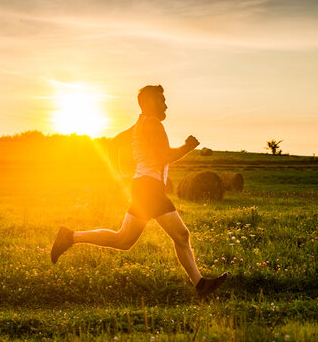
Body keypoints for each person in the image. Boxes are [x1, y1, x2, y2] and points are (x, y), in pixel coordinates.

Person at [51, 85, 228, 298]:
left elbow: (113, 144)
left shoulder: (139, 125)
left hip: (144, 186)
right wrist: (187, 147)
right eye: (162, 100)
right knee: (182, 235)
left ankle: (70, 236)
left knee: (124, 240)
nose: (166, 105)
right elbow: (165, 156)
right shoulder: (152, 124)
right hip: (150, 188)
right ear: (152, 103)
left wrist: (119, 173)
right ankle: (201, 285)